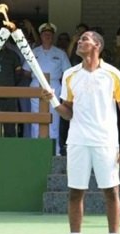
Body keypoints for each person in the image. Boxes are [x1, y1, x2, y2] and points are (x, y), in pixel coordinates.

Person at [44, 30, 120, 234]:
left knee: (111, 191)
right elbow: (67, 112)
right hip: (78, 141)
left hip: (106, 141)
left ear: (97, 46)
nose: (80, 42)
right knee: (75, 192)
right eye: (80, 39)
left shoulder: (113, 74)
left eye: (85, 39)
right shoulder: (70, 75)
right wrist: (52, 100)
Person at [23, 22, 71, 154]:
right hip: (36, 86)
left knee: (54, 118)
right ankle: (36, 149)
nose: (47, 36)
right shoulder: (33, 52)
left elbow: (67, 73)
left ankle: (55, 150)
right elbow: (25, 71)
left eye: (50, 34)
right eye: (45, 34)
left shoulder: (60, 53)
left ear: (53, 36)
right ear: (41, 36)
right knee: (36, 118)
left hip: (54, 86)